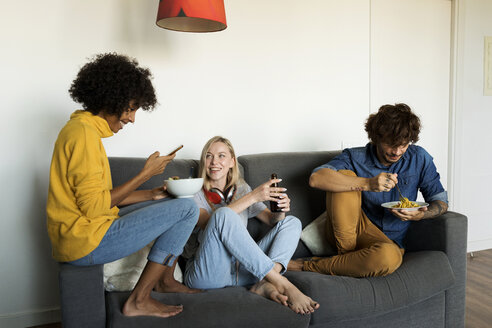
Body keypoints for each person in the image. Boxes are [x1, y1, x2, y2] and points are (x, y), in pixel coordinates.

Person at [46, 53, 200, 318]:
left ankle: (163, 280)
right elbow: (96, 208)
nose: (132, 119)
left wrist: (151, 193)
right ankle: (139, 299)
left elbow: (99, 199)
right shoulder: (83, 135)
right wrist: (144, 174)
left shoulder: (82, 130)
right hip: (84, 240)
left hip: (84, 232)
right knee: (187, 209)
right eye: (131, 108)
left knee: (175, 204)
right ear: (111, 100)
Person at [288, 103, 448, 277]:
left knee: (389, 257)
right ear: (376, 137)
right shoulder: (355, 157)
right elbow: (316, 178)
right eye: (390, 144)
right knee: (345, 175)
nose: (396, 151)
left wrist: (421, 215)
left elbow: (441, 201)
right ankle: (347, 257)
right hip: (352, 229)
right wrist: (368, 183)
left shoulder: (419, 158)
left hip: (388, 244)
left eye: (403, 145)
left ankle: (320, 264)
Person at [182, 136, 320, 314]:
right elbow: (210, 222)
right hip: (209, 274)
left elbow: (272, 220)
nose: (214, 161)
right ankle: (281, 282)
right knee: (223, 214)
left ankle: (264, 281)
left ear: (232, 161)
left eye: (221, 156)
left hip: (244, 269)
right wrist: (254, 196)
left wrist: (281, 210)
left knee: (292, 222)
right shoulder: (192, 191)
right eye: (209, 156)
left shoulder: (241, 189)